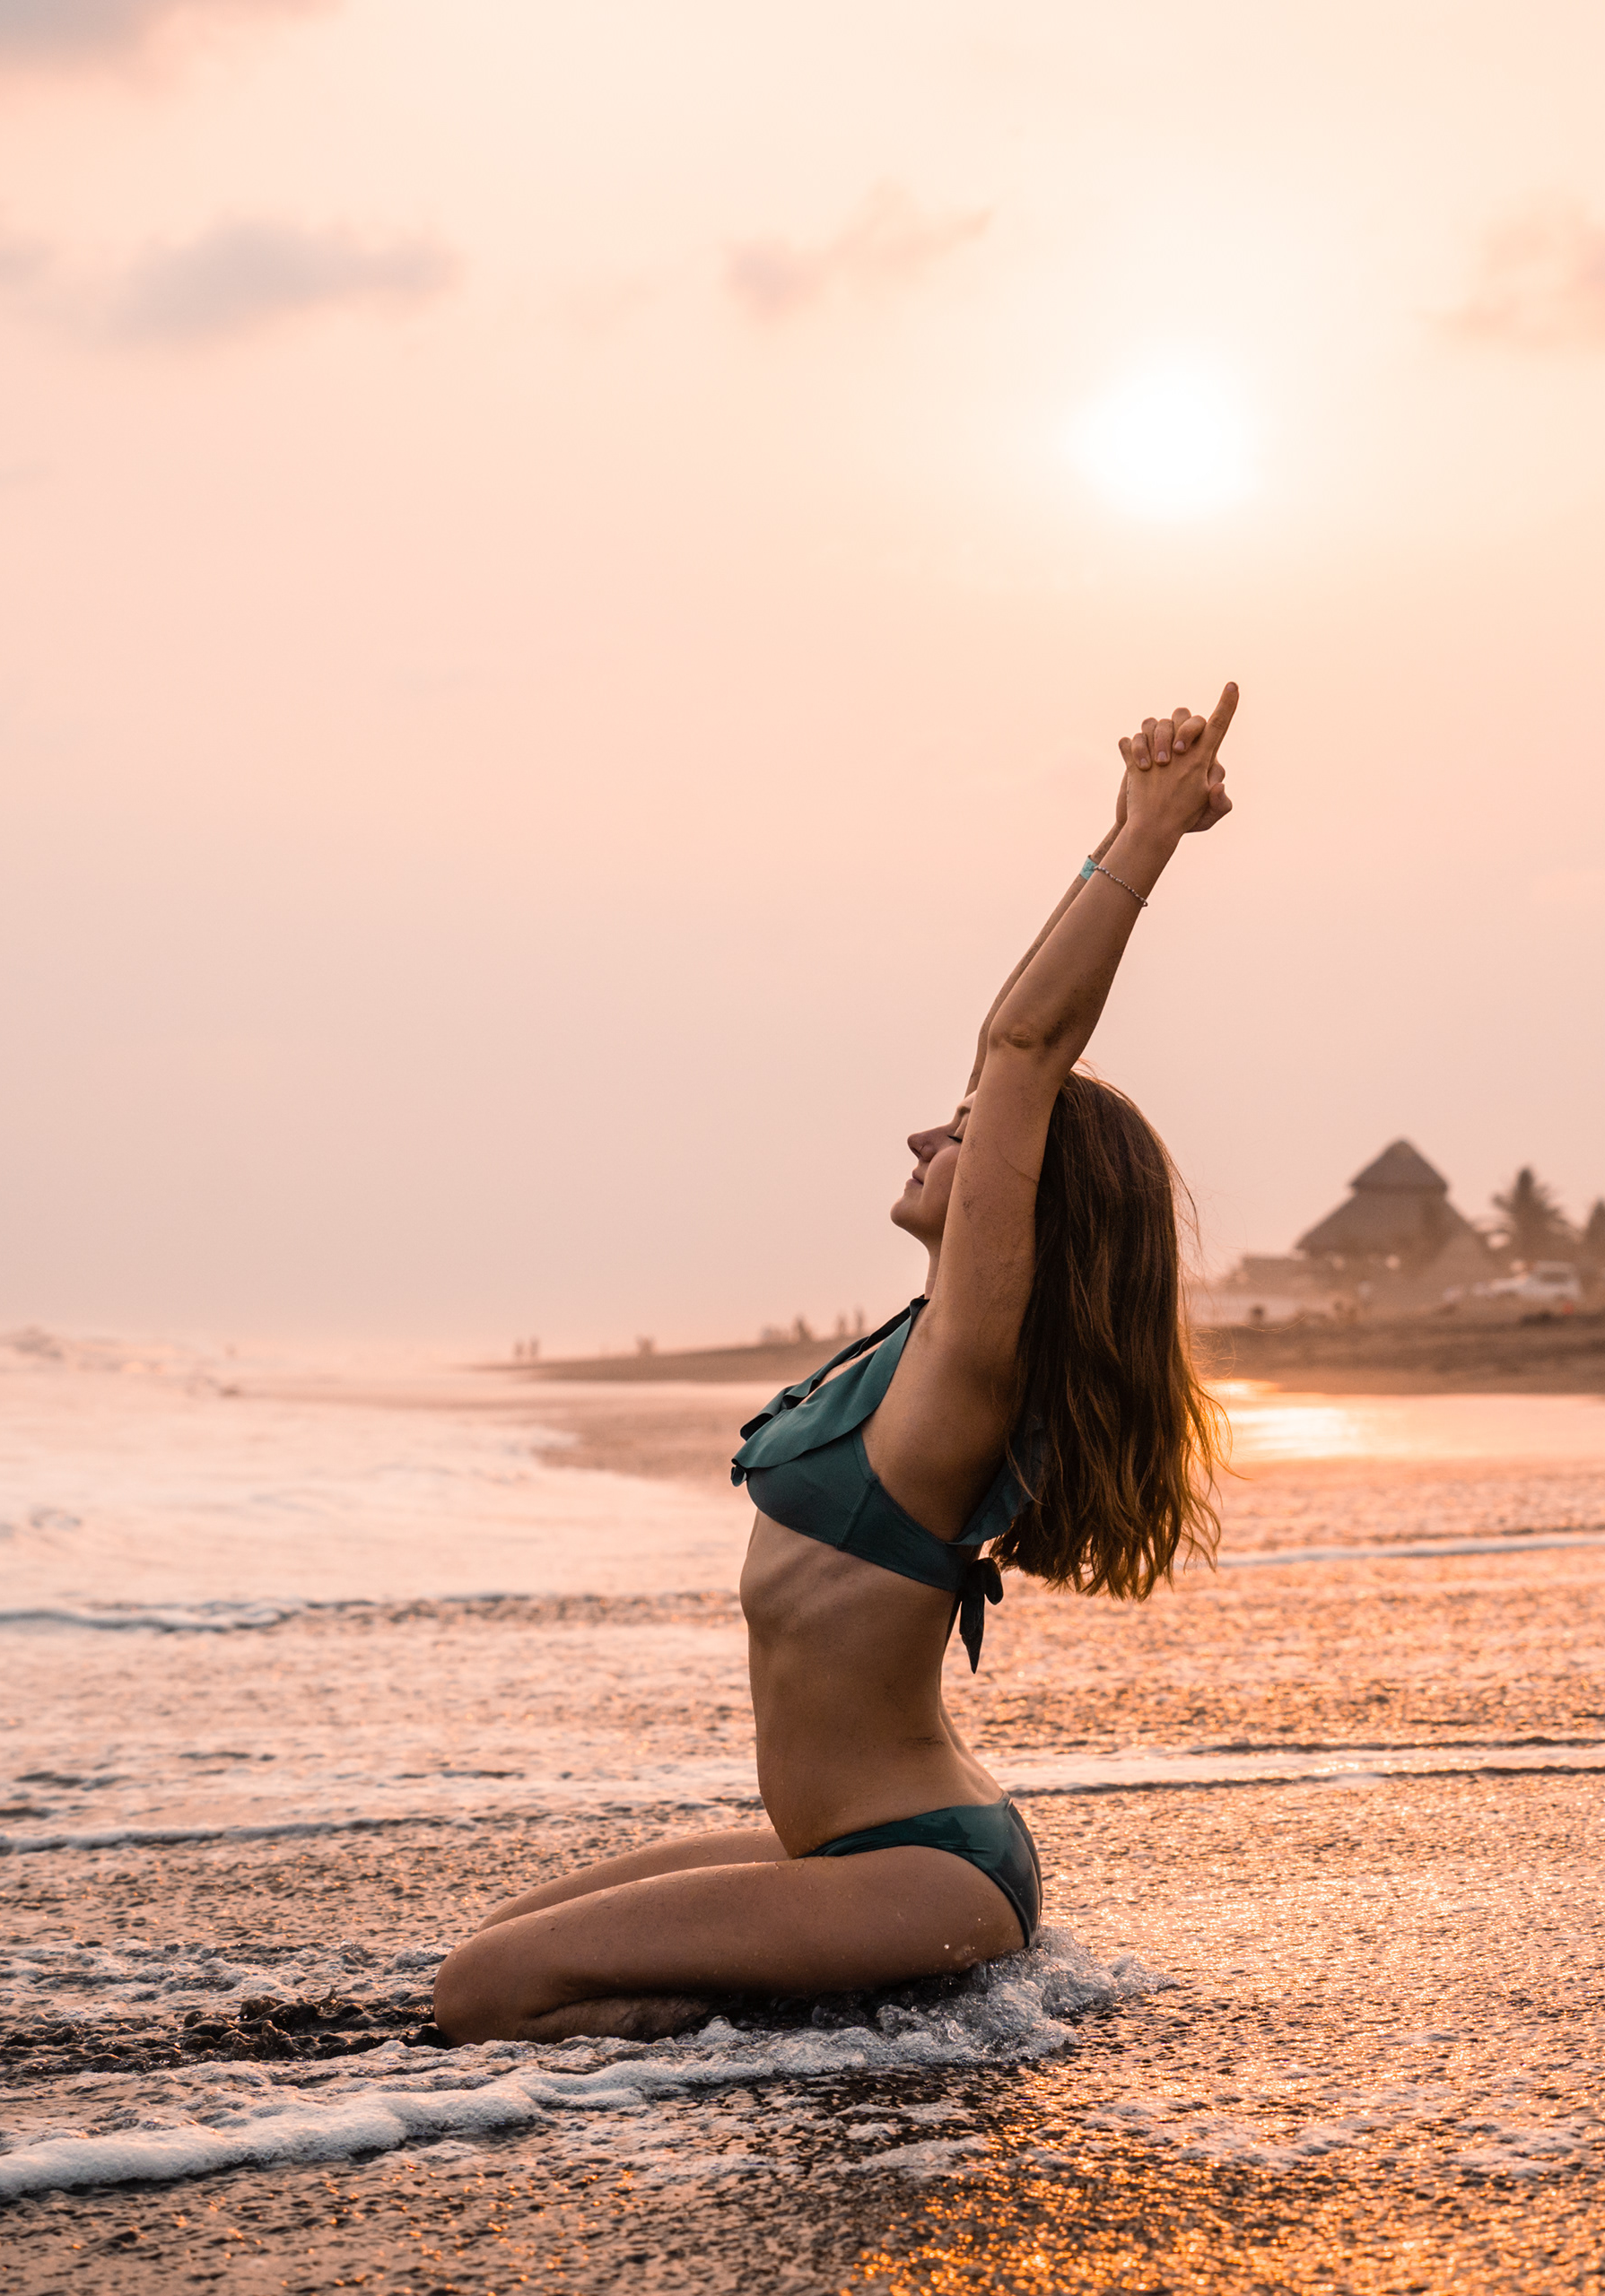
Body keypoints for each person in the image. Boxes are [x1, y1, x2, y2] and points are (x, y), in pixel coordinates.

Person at [431, 685, 1241, 2042]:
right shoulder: (922, 1350)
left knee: (486, 1997)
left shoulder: (971, 1370)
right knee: (495, 1949)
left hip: (923, 1868)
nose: (933, 1134)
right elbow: (1005, 1053)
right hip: (855, 1848)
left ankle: (813, 2033)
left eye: (972, 1137)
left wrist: (1146, 840)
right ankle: (816, 2014)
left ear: (1022, 1196)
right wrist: (1116, 819)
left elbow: (1025, 1044)